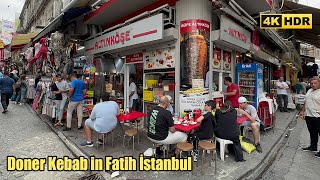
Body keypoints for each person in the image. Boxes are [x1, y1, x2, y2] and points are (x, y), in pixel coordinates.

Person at [299, 77, 320, 158]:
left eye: (315, 83)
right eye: (311, 83)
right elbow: (306, 101)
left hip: (318, 116)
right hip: (309, 115)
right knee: (312, 132)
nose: (313, 85)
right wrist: (302, 111)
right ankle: (313, 146)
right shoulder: (309, 90)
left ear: (319, 83)